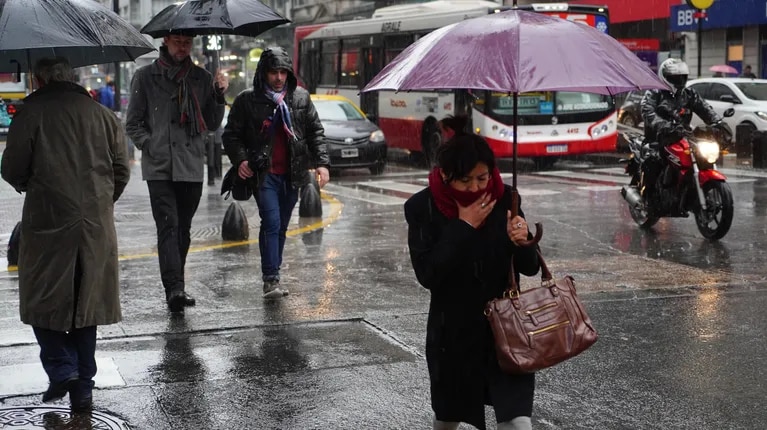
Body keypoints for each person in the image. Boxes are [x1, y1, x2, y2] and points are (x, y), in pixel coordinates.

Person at [0, 57, 130, 412]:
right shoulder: (103, 116)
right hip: (95, 226)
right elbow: (121, 169)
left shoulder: (31, 113)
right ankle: (81, 385)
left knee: (42, 299)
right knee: (87, 304)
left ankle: (63, 369)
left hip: (48, 222)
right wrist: (100, 202)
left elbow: (11, 168)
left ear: (39, 79)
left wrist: (31, 185)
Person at [404, 129, 540, 430]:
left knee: (517, 422)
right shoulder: (422, 207)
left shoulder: (507, 198)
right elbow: (427, 273)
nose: (476, 187)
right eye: (465, 180)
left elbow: (530, 268)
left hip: (506, 331)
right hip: (453, 336)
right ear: (445, 175)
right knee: (448, 419)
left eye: (482, 177)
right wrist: (463, 226)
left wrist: (522, 239)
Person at [126, 32, 228, 313]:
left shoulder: (202, 78)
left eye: (187, 43)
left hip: (191, 165)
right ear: (166, 42)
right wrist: (150, 145)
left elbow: (211, 122)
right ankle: (174, 288)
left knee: (183, 229)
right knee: (168, 226)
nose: (183, 48)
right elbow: (133, 122)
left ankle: (177, 284)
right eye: (178, 42)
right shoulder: (145, 76)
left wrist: (219, 94)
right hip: (159, 166)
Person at [223, 47, 328, 298]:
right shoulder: (247, 100)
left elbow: (315, 132)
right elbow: (231, 135)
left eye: (283, 72)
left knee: (280, 226)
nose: (279, 78)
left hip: (293, 173)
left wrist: (322, 164)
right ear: (263, 73)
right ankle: (270, 279)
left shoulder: (301, 97)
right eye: (273, 72)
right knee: (271, 222)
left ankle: (274, 273)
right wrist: (241, 160)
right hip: (264, 174)